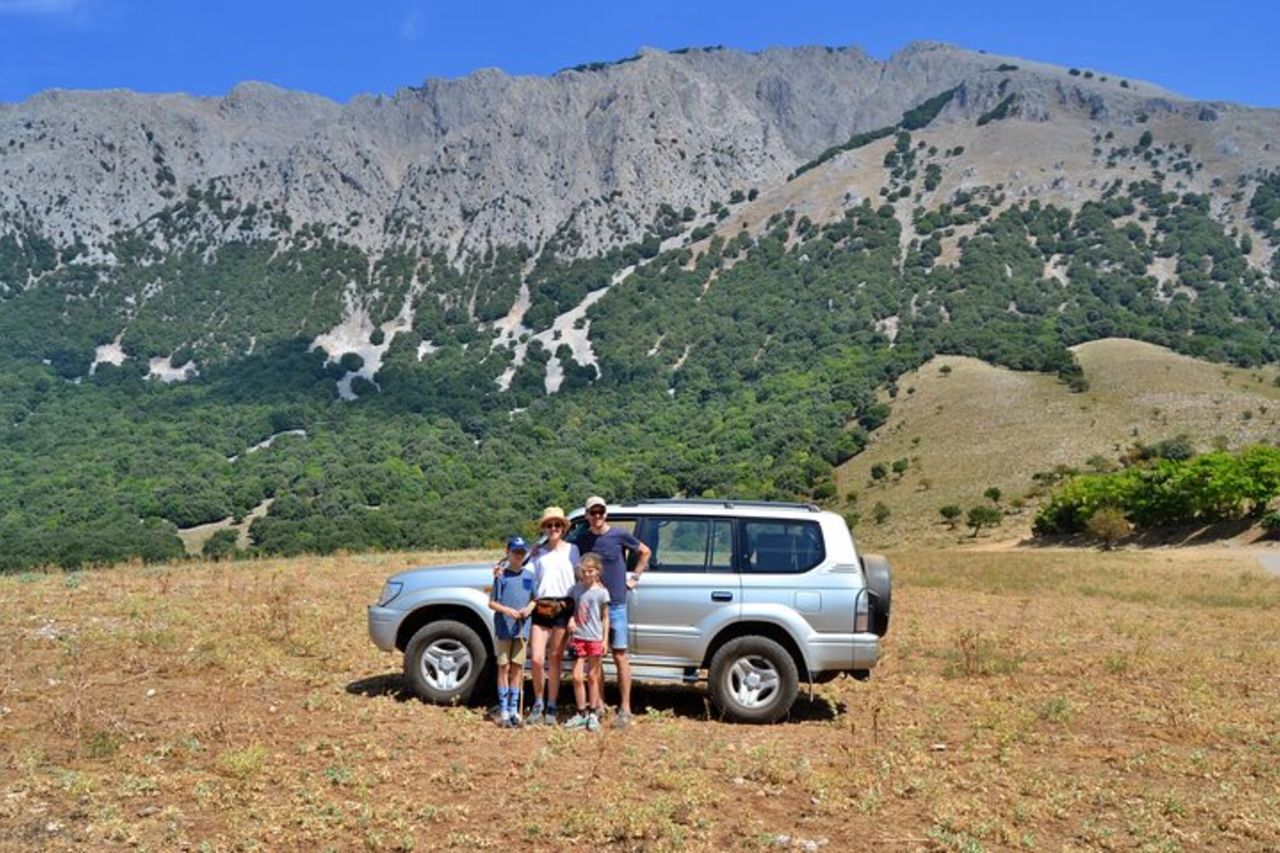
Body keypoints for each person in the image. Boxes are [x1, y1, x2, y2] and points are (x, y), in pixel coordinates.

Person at [575, 495, 650, 728]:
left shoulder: (619, 535)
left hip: (616, 604)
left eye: (600, 512)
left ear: (606, 513)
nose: (597, 516)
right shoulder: (582, 539)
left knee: (620, 656)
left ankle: (625, 708)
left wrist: (634, 577)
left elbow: (644, 552)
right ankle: (599, 705)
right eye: (592, 512)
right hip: (592, 607)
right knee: (595, 658)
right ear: (587, 515)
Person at [526, 505, 579, 725]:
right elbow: (521, 571)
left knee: (555, 658)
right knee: (537, 659)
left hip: (564, 607)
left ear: (564, 527)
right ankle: (538, 701)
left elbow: (578, 584)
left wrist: (574, 615)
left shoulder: (573, 550)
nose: (554, 528)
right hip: (541, 607)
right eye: (549, 525)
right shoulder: (537, 553)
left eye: (557, 524)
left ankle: (551, 704)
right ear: (545, 528)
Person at [487, 536, 535, 727]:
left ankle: (515, 708)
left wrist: (528, 609)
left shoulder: (529, 576)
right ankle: (504, 707)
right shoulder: (501, 576)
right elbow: (492, 602)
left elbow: (534, 599)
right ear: (508, 552)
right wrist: (507, 610)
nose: (518, 555)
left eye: (522, 552)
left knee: (517, 668)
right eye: (515, 552)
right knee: (503, 667)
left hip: (522, 629)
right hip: (504, 628)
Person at [563, 553, 610, 731]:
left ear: (597, 571)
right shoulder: (576, 589)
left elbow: (605, 617)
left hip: (595, 638)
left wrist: (605, 639)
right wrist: (570, 620)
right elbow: (569, 609)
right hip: (578, 637)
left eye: (591, 571)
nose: (587, 575)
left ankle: (593, 713)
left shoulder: (602, 592)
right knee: (576, 676)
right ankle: (581, 712)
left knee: (592, 676)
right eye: (584, 571)